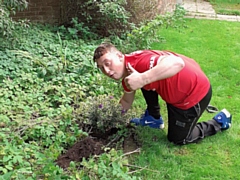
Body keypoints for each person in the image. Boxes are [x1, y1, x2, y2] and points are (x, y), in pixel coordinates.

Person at [93, 42, 232, 145]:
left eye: (107, 63)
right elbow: (126, 102)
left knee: (178, 139)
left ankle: (219, 122)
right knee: (138, 80)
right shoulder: (131, 66)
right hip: (184, 83)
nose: (106, 70)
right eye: (101, 68)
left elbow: (177, 62)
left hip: (193, 95)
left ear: (119, 56)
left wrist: (143, 78)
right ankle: (154, 118)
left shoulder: (143, 63)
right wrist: (111, 120)